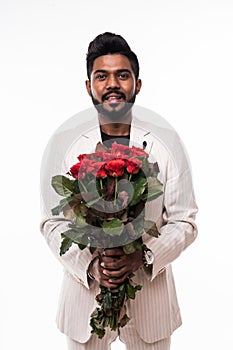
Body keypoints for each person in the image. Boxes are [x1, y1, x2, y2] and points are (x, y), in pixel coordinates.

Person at [40, 32, 198, 350]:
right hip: (84, 304)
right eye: (102, 76)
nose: (113, 84)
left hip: (151, 305)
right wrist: (92, 265)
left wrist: (144, 255)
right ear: (89, 86)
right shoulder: (65, 145)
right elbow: (52, 223)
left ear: (137, 84)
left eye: (122, 75)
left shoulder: (167, 142)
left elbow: (185, 221)